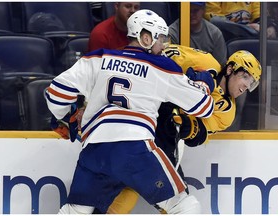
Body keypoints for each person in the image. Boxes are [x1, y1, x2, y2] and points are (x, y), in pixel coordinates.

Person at [46, 9, 215, 214]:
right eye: (160, 39)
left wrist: (67, 116)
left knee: (74, 211)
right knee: (183, 205)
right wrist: (203, 83)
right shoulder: (161, 66)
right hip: (135, 149)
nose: (163, 46)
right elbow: (204, 107)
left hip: (95, 151)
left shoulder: (100, 57)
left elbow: (55, 93)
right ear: (146, 37)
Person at [90, 45, 262, 213]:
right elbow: (162, 53)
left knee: (157, 194)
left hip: (164, 135)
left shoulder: (227, 111)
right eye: (245, 77)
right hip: (140, 117)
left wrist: (189, 127)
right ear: (231, 69)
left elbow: (197, 135)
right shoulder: (205, 61)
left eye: (251, 82)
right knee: (174, 201)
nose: (246, 86)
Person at [204, 2, 268, 42]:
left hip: (248, 33)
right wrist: (245, 27)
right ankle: (252, 33)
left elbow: (258, 14)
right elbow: (212, 15)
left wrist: (260, 25)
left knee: (265, 27)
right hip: (225, 33)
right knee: (215, 21)